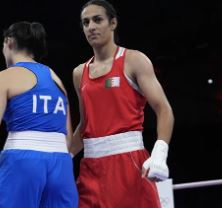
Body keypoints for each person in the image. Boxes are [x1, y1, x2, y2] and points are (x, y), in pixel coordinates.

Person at [69, 0, 175, 207]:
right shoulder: (79, 73)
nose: (91, 27)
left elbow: (164, 110)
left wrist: (160, 154)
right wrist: (61, 160)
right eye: (85, 22)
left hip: (128, 164)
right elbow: (85, 126)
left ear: (113, 23)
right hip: (90, 169)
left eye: (97, 20)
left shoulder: (134, 60)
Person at [0, 21, 78, 208]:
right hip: (62, 166)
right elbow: (68, 140)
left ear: (8, 42)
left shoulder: (5, 77)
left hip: (22, 163)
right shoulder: (57, 80)